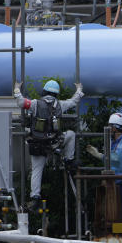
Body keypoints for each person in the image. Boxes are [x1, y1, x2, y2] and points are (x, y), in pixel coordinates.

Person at [14, 79, 83, 212]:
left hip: (37, 144)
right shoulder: (60, 105)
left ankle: (35, 198)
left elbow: (21, 102)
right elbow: (74, 101)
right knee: (70, 134)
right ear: (56, 94)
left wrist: (17, 89)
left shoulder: (35, 104)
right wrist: (79, 90)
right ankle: (69, 160)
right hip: (54, 143)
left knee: (36, 171)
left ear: (44, 91)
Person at [86, 113, 122, 239]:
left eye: (110, 127)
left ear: (115, 128)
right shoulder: (114, 143)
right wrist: (99, 155)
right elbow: (114, 161)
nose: (109, 129)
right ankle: (115, 236)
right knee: (112, 213)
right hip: (113, 182)